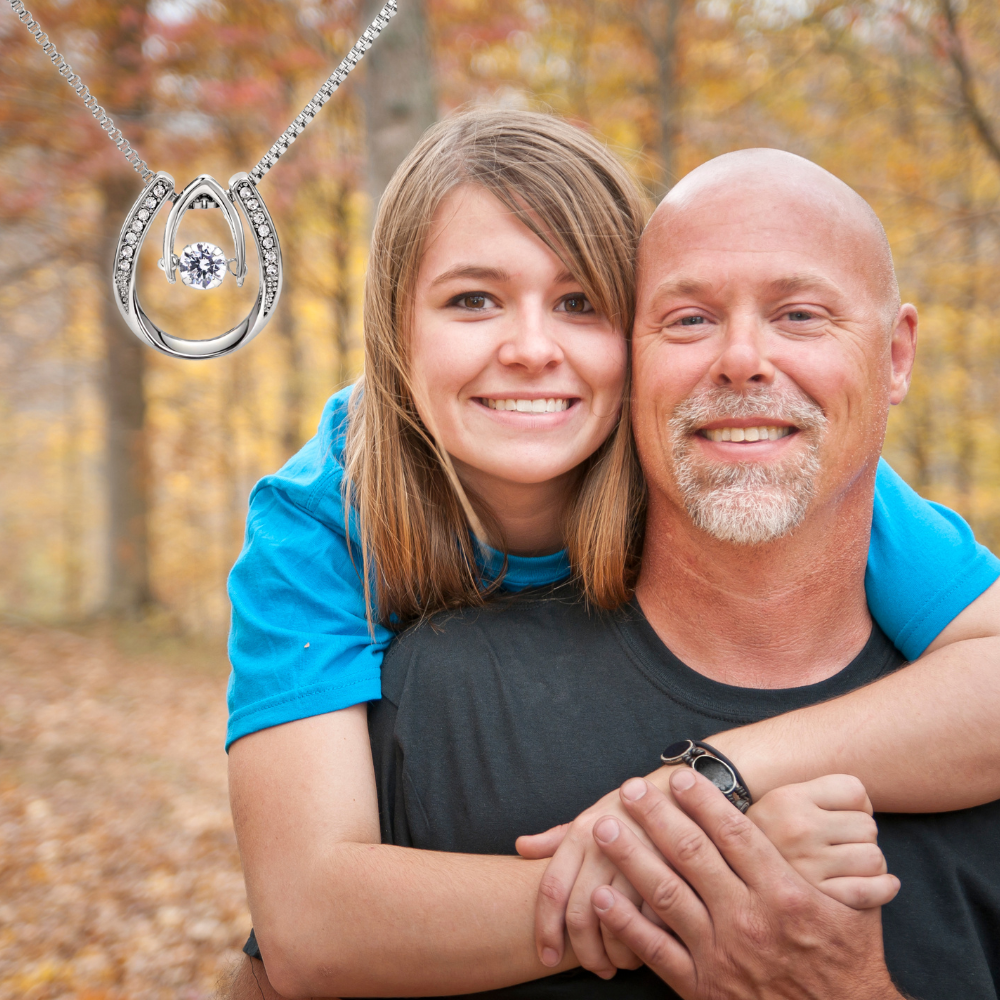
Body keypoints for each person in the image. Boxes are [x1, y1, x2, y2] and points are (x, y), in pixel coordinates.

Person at [224, 110, 1000, 997]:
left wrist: (721, 778)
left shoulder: (749, 451)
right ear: (395, 336)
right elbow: (310, 925)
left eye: (580, 302)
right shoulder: (323, 519)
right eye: (472, 299)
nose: (529, 348)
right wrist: (688, 879)